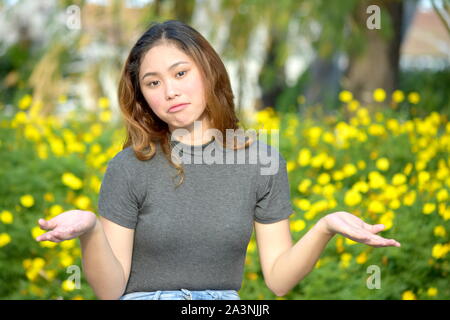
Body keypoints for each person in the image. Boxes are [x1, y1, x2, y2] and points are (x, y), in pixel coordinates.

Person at [35, 20, 401, 300]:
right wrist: (91, 230)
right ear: (143, 96)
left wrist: (326, 226)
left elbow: (278, 279)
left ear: (208, 71)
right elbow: (110, 290)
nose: (170, 91)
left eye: (180, 73)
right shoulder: (128, 167)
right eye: (153, 83)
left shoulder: (262, 161)